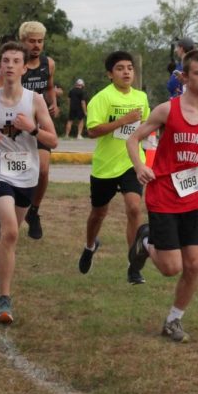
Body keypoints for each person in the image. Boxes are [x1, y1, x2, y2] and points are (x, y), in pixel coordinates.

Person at [125, 49, 198, 342]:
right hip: (163, 193)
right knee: (171, 268)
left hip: (194, 196)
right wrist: (139, 167)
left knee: (195, 263)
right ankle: (146, 239)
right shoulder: (166, 110)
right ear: (185, 77)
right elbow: (134, 139)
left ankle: (174, 320)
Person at [0, 41, 58, 324]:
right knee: (9, 232)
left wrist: (31, 127)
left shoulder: (34, 101)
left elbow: (53, 140)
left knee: (8, 235)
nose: (9, 65)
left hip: (27, 175)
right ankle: (4, 301)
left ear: (23, 68)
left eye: (15, 61)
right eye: (5, 60)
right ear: (0, 66)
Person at [80, 50, 150, 283]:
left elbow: (146, 127)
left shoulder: (141, 97)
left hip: (132, 162)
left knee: (134, 208)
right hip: (105, 166)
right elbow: (91, 131)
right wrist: (122, 121)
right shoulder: (102, 98)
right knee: (98, 213)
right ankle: (90, 246)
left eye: (129, 68)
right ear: (110, 74)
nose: (126, 72)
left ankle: (133, 264)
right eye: (120, 68)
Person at [0, 21, 58, 242]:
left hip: (36, 123)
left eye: (40, 41)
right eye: (32, 41)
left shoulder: (48, 64)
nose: (37, 45)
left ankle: (34, 211)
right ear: (22, 42)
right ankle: (3, 212)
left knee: (43, 169)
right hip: (14, 125)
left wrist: (53, 103)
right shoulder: (14, 66)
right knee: (14, 168)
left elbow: (49, 86)